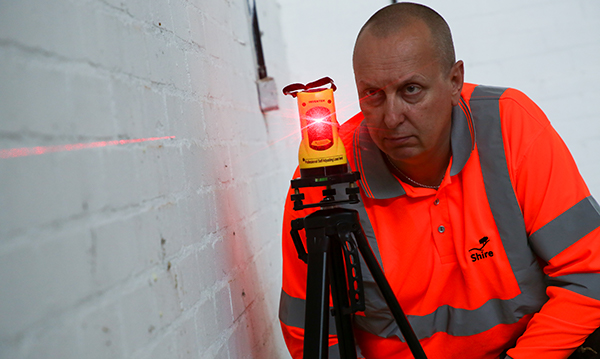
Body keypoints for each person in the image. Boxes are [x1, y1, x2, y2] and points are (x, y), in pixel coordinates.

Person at [279, 2, 600, 358]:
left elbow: (589, 274)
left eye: (411, 89)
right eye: (372, 94)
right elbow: (312, 334)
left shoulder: (510, 124)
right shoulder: (325, 180)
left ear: (455, 81)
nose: (391, 117)